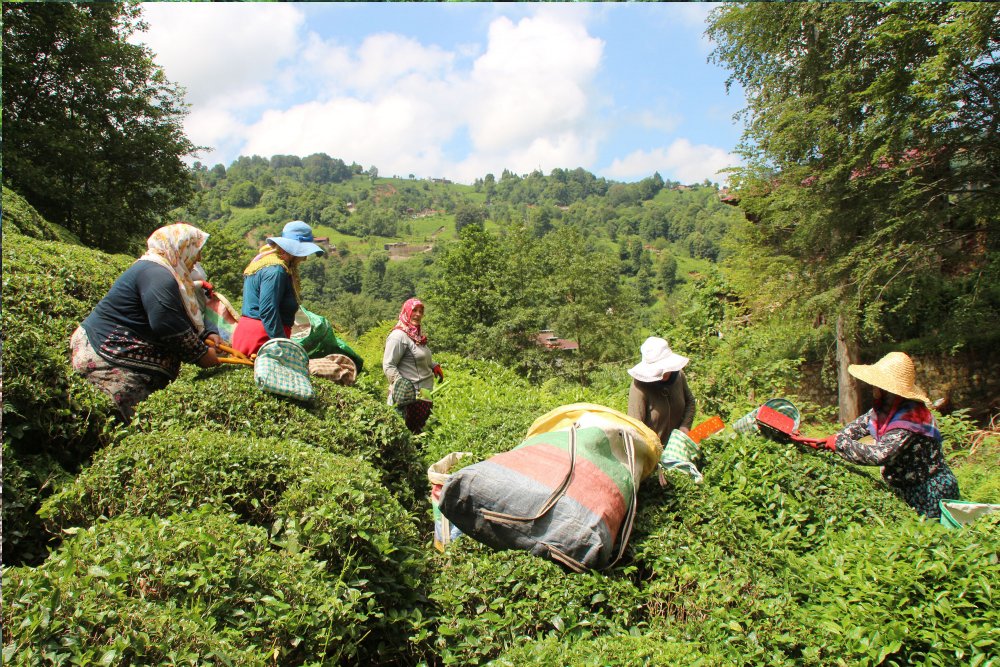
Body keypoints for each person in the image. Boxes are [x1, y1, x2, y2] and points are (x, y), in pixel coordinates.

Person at [70, 223, 221, 422]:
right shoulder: (157, 273)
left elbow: (180, 312)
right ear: (180, 248)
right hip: (109, 357)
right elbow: (166, 322)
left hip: (115, 354)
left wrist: (206, 334)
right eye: (196, 250)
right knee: (110, 423)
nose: (198, 258)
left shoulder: (167, 273)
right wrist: (200, 354)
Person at [819, 351, 959, 519]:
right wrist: (823, 442)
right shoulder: (884, 411)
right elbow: (854, 429)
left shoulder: (910, 418)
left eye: (876, 385)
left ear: (886, 390)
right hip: (904, 488)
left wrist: (839, 444)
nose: (873, 388)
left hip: (929, 491)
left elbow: (881, 454)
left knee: (928, 533)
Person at [231, 220, 325, 357]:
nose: (304, 258)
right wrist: (284, 346)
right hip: (262, 339)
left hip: (257, 334)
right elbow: (268, 311)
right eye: (303, 253)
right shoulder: (276, 271)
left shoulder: (264, 263)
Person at [383, 298, 443, 433]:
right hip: (407, 397)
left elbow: (421, 357)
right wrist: (401, 386)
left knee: (419, 434)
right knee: (403, 433)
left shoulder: (417, 335)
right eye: (414, 310)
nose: (418, 314)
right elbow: (388, 365)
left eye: (421, 311)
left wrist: (433, 366)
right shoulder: (398, 336)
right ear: (406, 312)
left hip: (424, 394)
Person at [627, 336, 696, 445]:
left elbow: (690, 402)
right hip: (652, 451)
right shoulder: (639, 386)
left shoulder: (678, 376)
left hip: (678, 447)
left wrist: (685, 426)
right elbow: (634, 429)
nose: (664, 372)